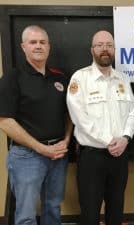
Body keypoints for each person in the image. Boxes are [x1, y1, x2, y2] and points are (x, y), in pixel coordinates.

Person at [0, 25, 72, 225]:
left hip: (58, 155)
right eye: (33, 42)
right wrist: (42, 148)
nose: (38, 46)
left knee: (53, 207)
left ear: (49, 46)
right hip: (26, 157)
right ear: (23, 47)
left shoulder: (60, 78)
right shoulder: (12, 78)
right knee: (26, 215)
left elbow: (68, 114)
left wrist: (66, 140)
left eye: (42, 42)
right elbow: (5, 121)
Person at [66, 30, 134, 225]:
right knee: (90, 211)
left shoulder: (122, 79)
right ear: (92, 50)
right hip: (92, 157)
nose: (104, 49)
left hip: (120, 155)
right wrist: (110, 141)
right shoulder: (80, 78)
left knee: (116, 209)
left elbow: (133, 112)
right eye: (99, 45)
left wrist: (125, 138)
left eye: (108, 45)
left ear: (114, 49)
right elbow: (79, 117)